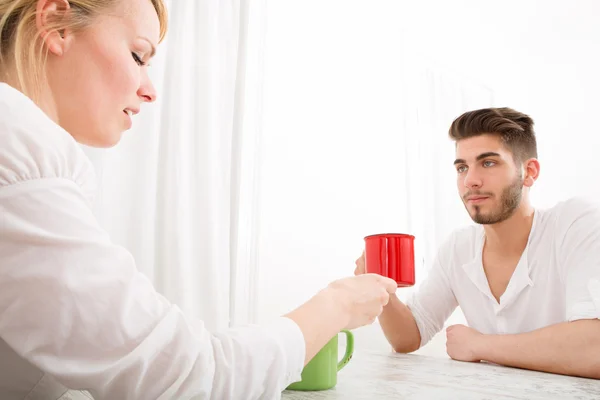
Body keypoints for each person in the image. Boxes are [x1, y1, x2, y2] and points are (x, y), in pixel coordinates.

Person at [0, 0, 399, 399]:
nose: (150, 90)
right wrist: (337, 306)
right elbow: (186, 379)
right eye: (138, 55)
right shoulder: (16, 137)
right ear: (55, 22)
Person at [355, 107, 600, 379]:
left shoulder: (576, 224)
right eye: (462, 167)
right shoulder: (458, 249)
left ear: (529, 172)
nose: (470, 180)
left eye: (488, 163)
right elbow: (408, 337)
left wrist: (479, 345)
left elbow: (595, 349)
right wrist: (381, 289)